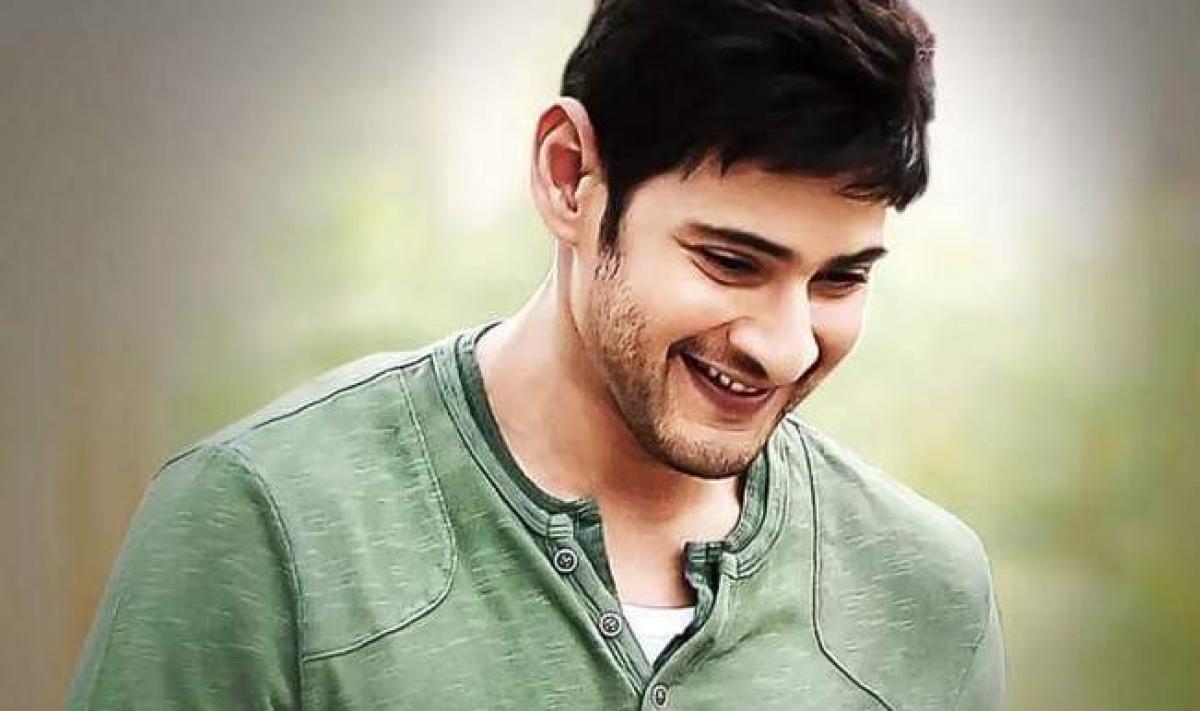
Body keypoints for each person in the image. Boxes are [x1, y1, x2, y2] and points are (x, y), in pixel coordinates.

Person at [67, 0, 1005, 709]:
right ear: (569, 176)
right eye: (730, 261)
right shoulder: (264, 525)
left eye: (840, 279)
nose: (784, 345)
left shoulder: (927, 593)